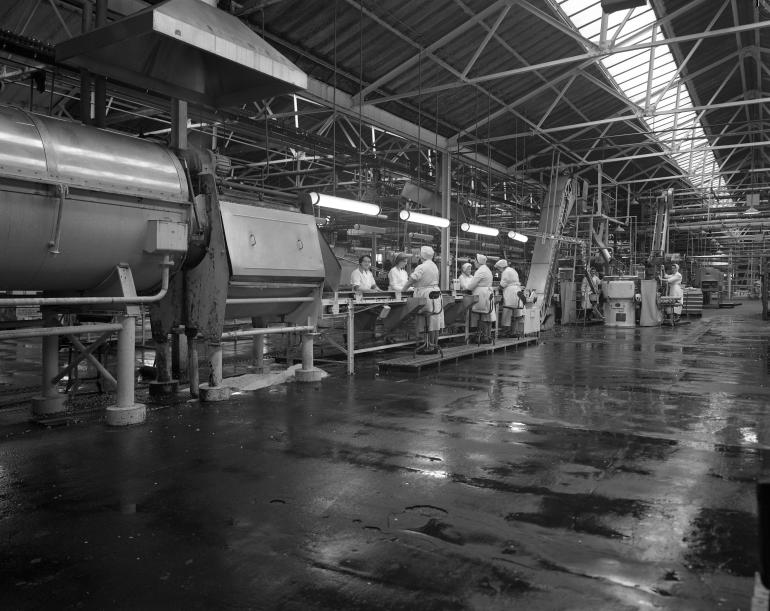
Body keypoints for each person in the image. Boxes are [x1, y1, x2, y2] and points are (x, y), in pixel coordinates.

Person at [402, 246, 444, 354]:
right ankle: (434, 345)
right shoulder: (434, 266)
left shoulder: (422, 267)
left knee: (427, 322)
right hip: (436, 295)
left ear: (422, 256)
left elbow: (412, 279)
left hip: (426, 296)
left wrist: (403, 290)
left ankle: (428, 347)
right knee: (434, 323)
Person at [467, 253, 495, 343]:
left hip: (482, 295)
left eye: (475, 260)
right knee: (487, 316)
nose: (474, 262)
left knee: (483, 315)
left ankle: (483, 337)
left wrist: (467, 288)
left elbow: (471, 285)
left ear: (478, 261)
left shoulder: (480, 271)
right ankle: (487, 336)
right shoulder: (487, 269)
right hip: (487, 294)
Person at [494, 259, 522, 337]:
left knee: (507, 312)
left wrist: (497, 288)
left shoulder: (505, 272)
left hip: (510, 293)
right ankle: (514, 332)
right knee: (516, 312)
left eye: (499, 268)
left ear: (501, 267)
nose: (499, 270)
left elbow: (504, 283)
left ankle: (505, 332)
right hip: (517, 291)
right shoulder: (512, 270)